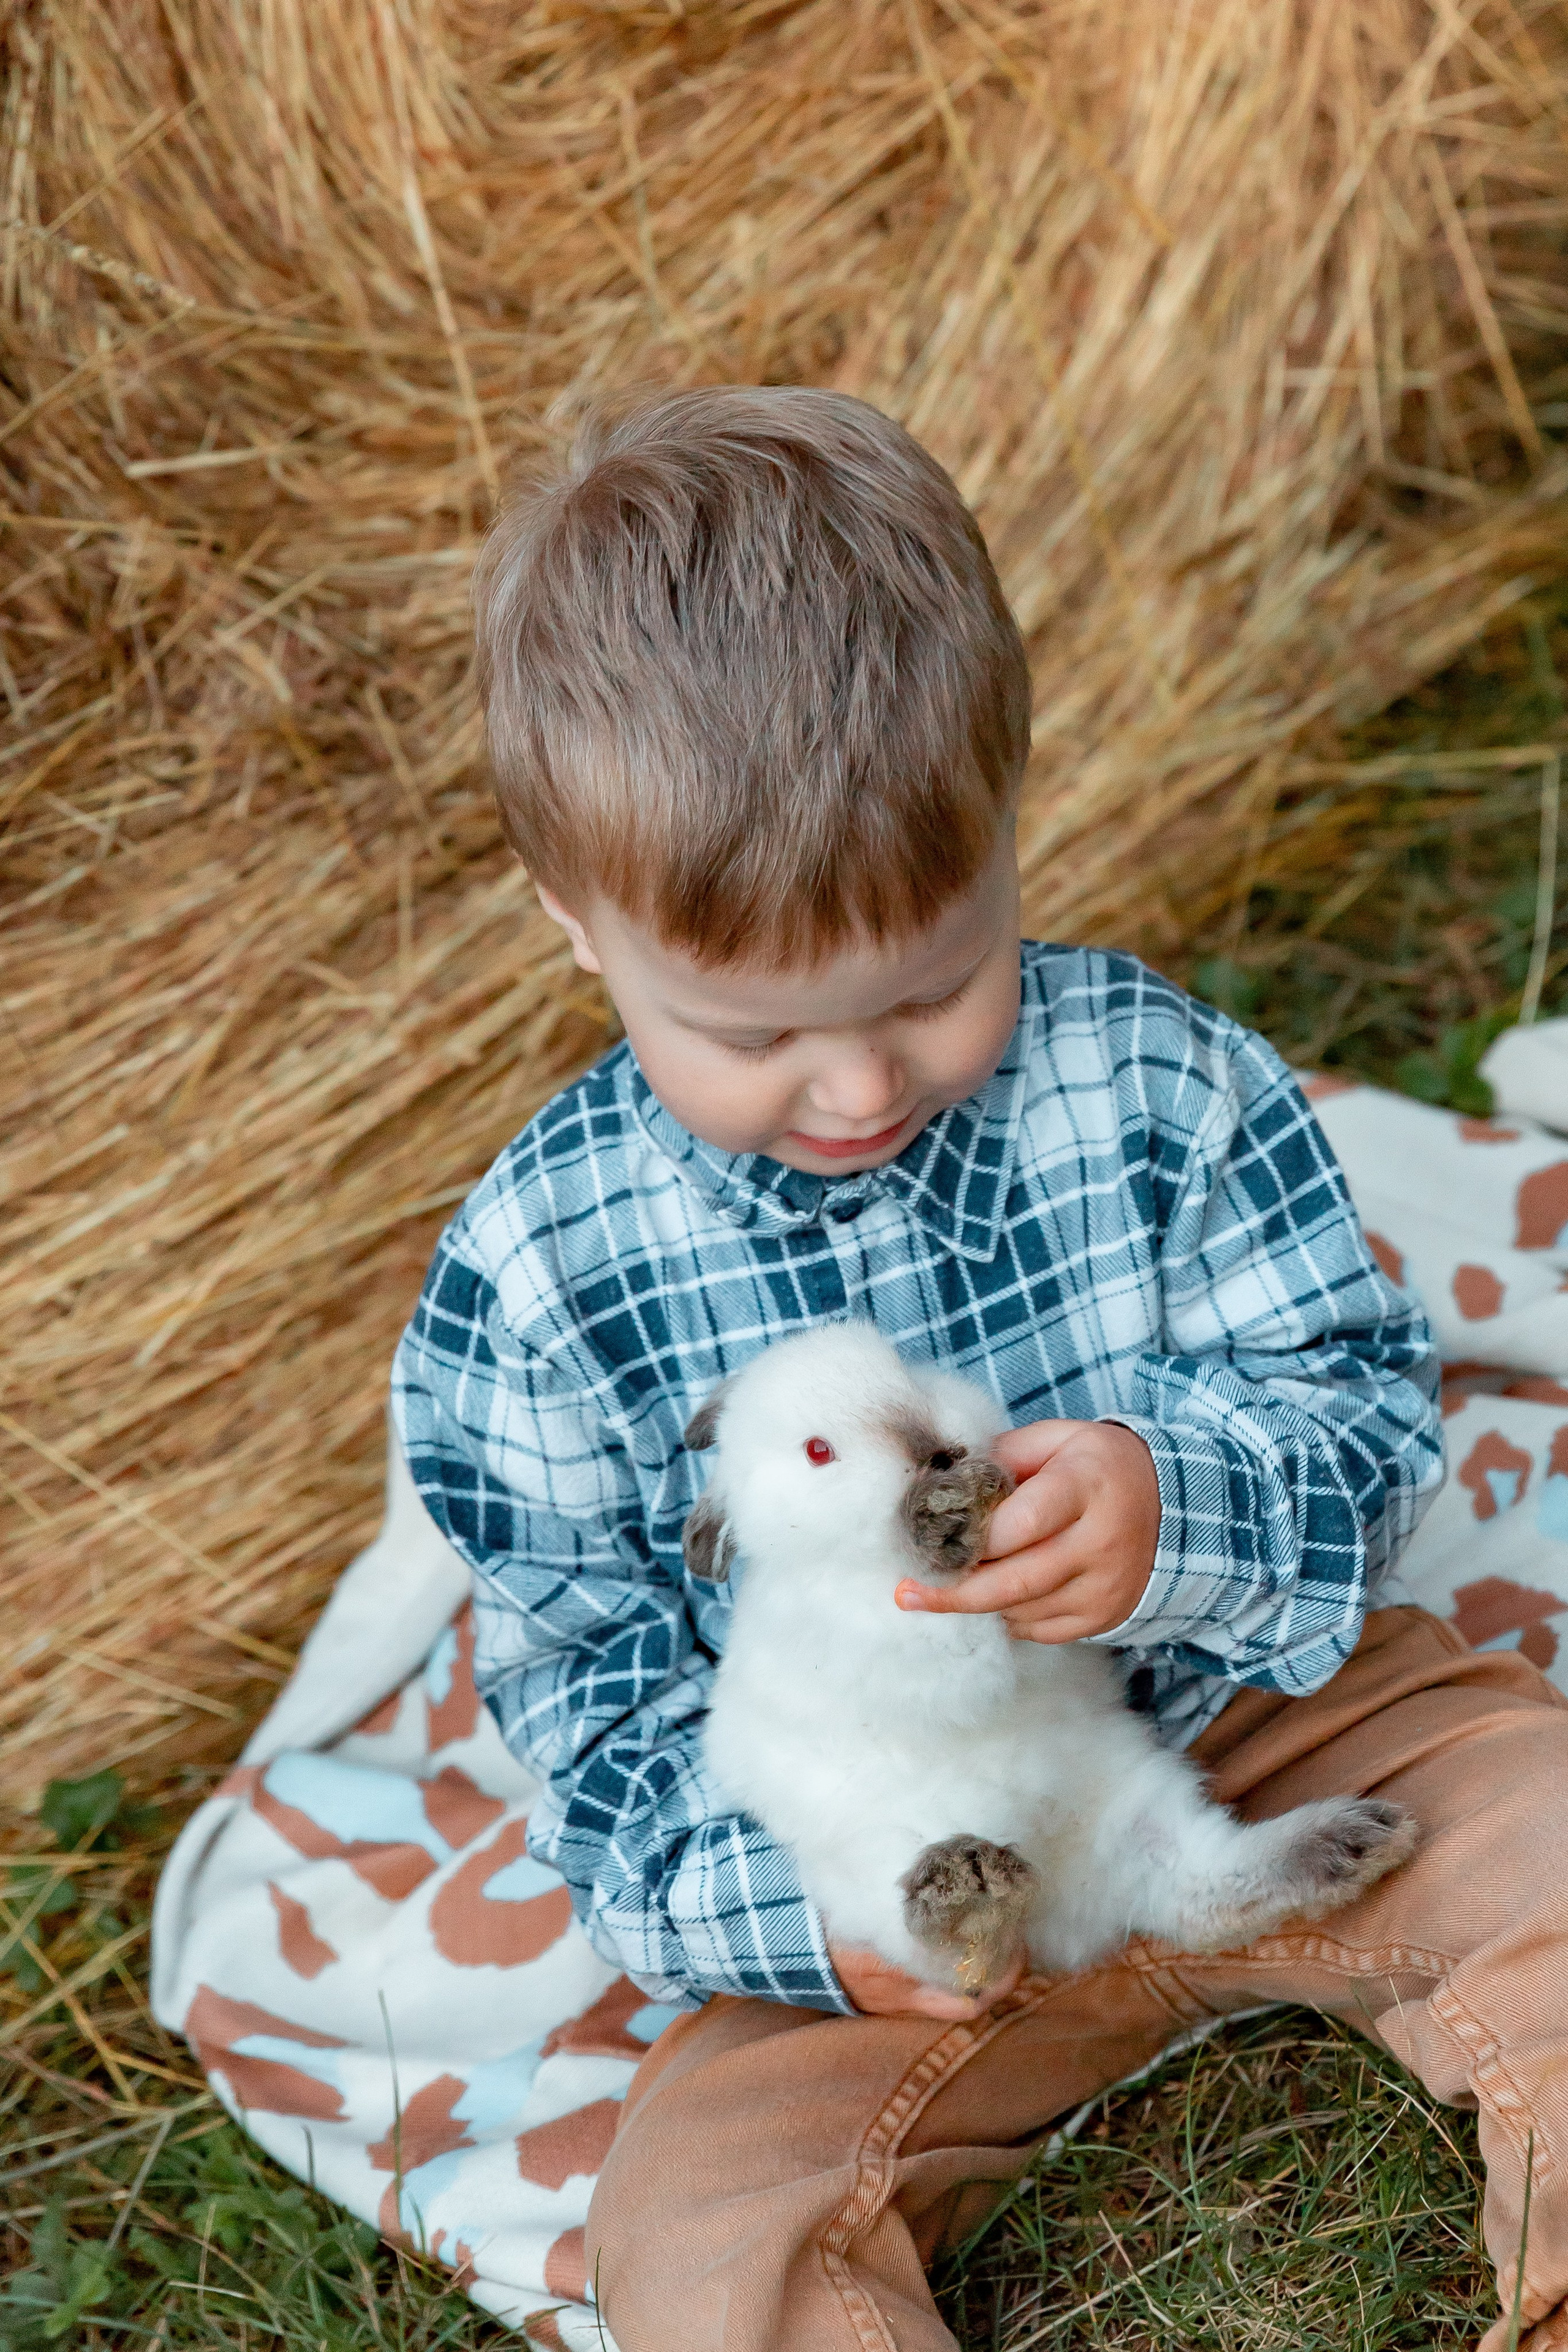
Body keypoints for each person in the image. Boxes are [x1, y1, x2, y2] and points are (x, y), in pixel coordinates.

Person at [391, 386, 1568, 2352]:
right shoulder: (538, 1282)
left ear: (1011, 827)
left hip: (1251, 1731)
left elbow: (1364, 1407)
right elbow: (591, 1717)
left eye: (936, 984)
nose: (859, 1087)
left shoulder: (1153, 1084)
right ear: (570, 922)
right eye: (753, 1033)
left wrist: (1173, 1499)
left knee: (1546, 1832)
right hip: (883, 1872)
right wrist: (810, 1932)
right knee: (693, 2237)